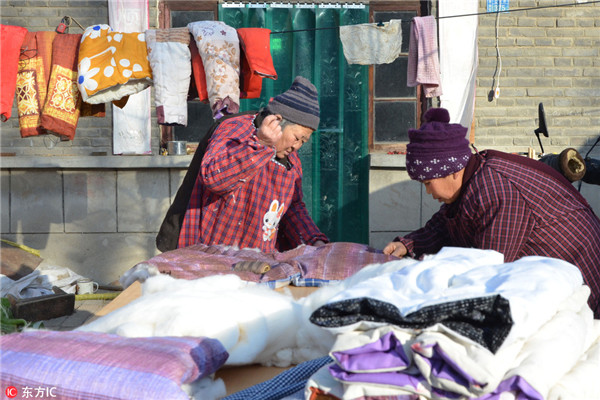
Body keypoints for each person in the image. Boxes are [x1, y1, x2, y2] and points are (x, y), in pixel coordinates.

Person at [383, 107, 600, 318]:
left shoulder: (496, 193)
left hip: (583, 282)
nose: (428, 191)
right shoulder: (472, 180)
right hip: (551, 280)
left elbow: (487, 268)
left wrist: (422, 273)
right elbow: (446, 222)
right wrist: (408, 245)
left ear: (453, 171)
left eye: (428, 183)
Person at [178, 76, 329, 253]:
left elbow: (292, 208)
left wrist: (314, 241)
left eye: (303, 141)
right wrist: (260, 144)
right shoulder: (235, 129)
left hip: (257, 260)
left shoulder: (292, 162)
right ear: (277, 122)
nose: (296, 146)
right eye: (297, 138)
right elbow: (213, 178)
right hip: (212, 254)